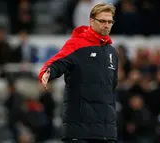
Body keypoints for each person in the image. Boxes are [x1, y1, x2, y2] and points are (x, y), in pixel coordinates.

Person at [38, 3, 118, 143]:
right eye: (102, 21)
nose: (107, 25)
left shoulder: (112, 52)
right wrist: (47, 72)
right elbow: (58, 62)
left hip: (106, 132)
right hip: (80, 131)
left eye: (110, 21)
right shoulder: (77, 44)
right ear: (91, 21)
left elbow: (112, 86)